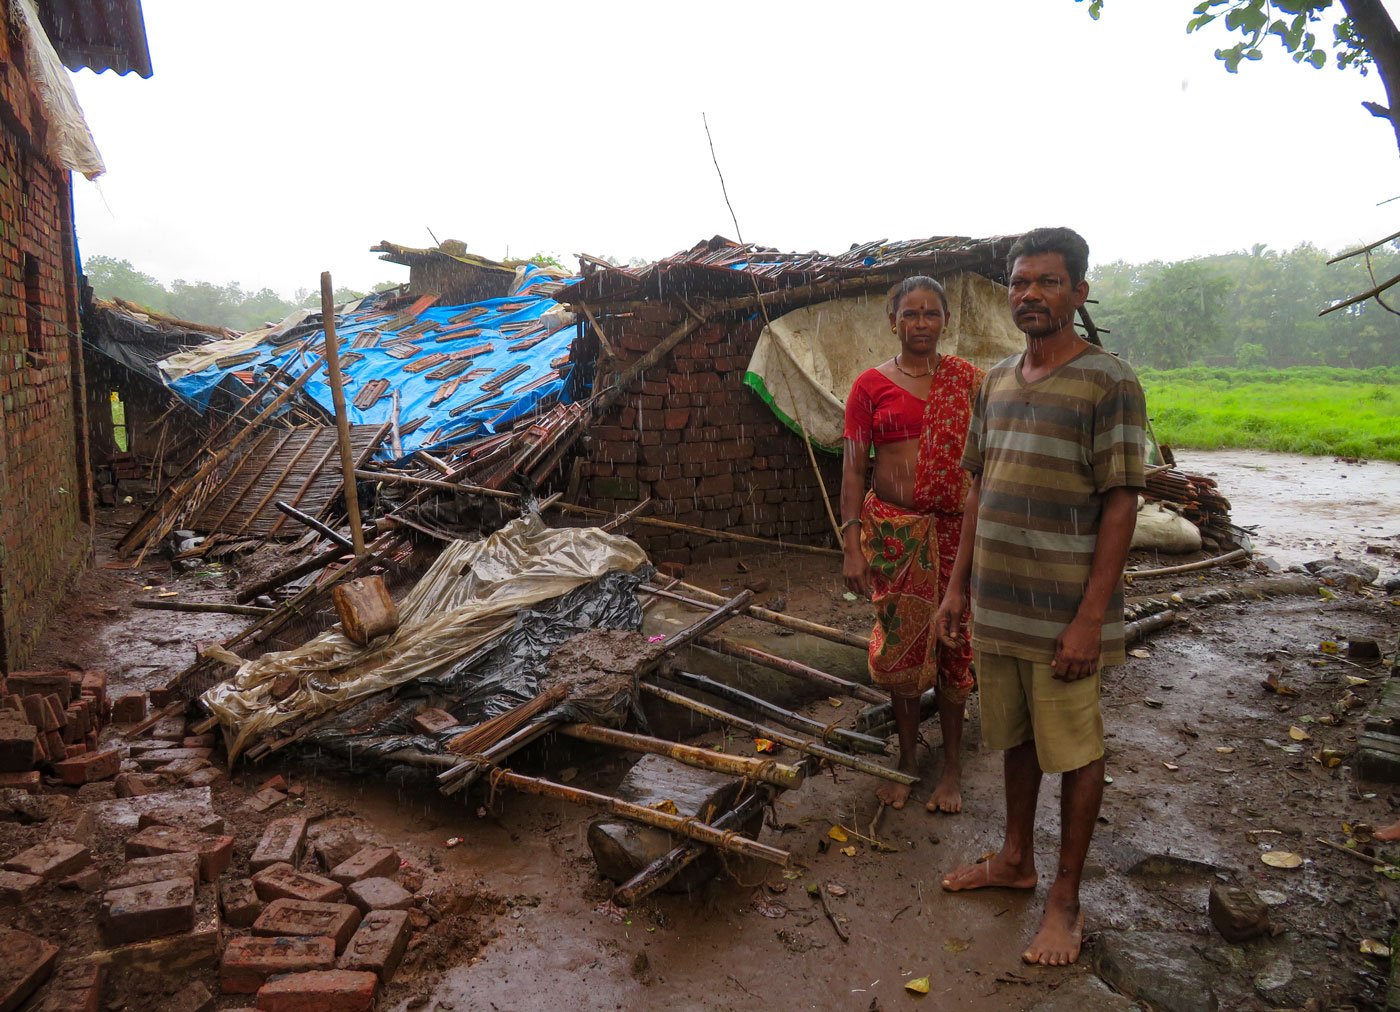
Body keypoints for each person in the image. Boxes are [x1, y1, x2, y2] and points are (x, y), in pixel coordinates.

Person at [934, 227, 1146, 967]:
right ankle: (1014, 859)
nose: (1030, 294)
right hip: (997, 604)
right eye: (1020, 282)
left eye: (1048, 282)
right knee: (1016, 740)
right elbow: (978, 490)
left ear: (1079, 294)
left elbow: (1121, 503)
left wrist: (1090, 618)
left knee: (1076, 752)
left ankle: (1065, 900)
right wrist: (957, 589)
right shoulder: (992, 382)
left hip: (1064, 614)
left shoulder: (1108, 380)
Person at [840, 276, 984, 813]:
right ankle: (906, 759)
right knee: (900, 647)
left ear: (945, 321)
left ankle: (951, 769)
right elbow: (854, 471)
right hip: (894, 534)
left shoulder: (969, 383)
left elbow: (987, 467)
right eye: (911, 313)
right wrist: (851, 543)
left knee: (954, 645)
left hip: (955, 535)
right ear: (892, 320)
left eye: (931, 314)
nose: (921, 323)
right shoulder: (868, 387)